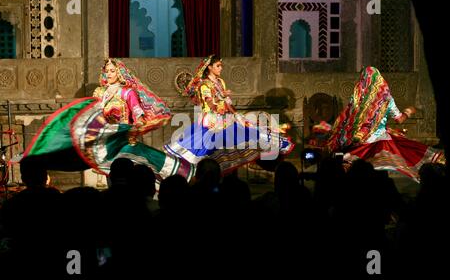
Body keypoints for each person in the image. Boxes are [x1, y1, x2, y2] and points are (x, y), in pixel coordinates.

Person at [20, 59, 195, 186]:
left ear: (119, 72)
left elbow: (137, 114)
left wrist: (136, 126)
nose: (109, 74)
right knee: (111, 176)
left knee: (143, 170)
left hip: (123, 141)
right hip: (104, 142)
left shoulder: (128, 93)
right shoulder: (100, 93)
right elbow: (93, 116)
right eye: (107, 71)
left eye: (112, 70)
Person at [164, 55, 294, 170]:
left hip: (225, 118)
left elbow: (227, 103)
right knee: (213, 148)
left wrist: (236, 114)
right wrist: (220, 96)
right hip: (212, 121)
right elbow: (210, 104)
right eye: (218, 66)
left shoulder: (220, 82)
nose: (221, 68)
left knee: (244, 135)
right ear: (209, 67)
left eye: (221, 66)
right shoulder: (204, 85)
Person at [327, 66, 445, 182]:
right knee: (406, 152)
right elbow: (399, 119)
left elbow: (347, 122)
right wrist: (409, 111)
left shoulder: (357, 100)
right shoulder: (386, 99)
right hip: (381, 141)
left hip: (360, 142)